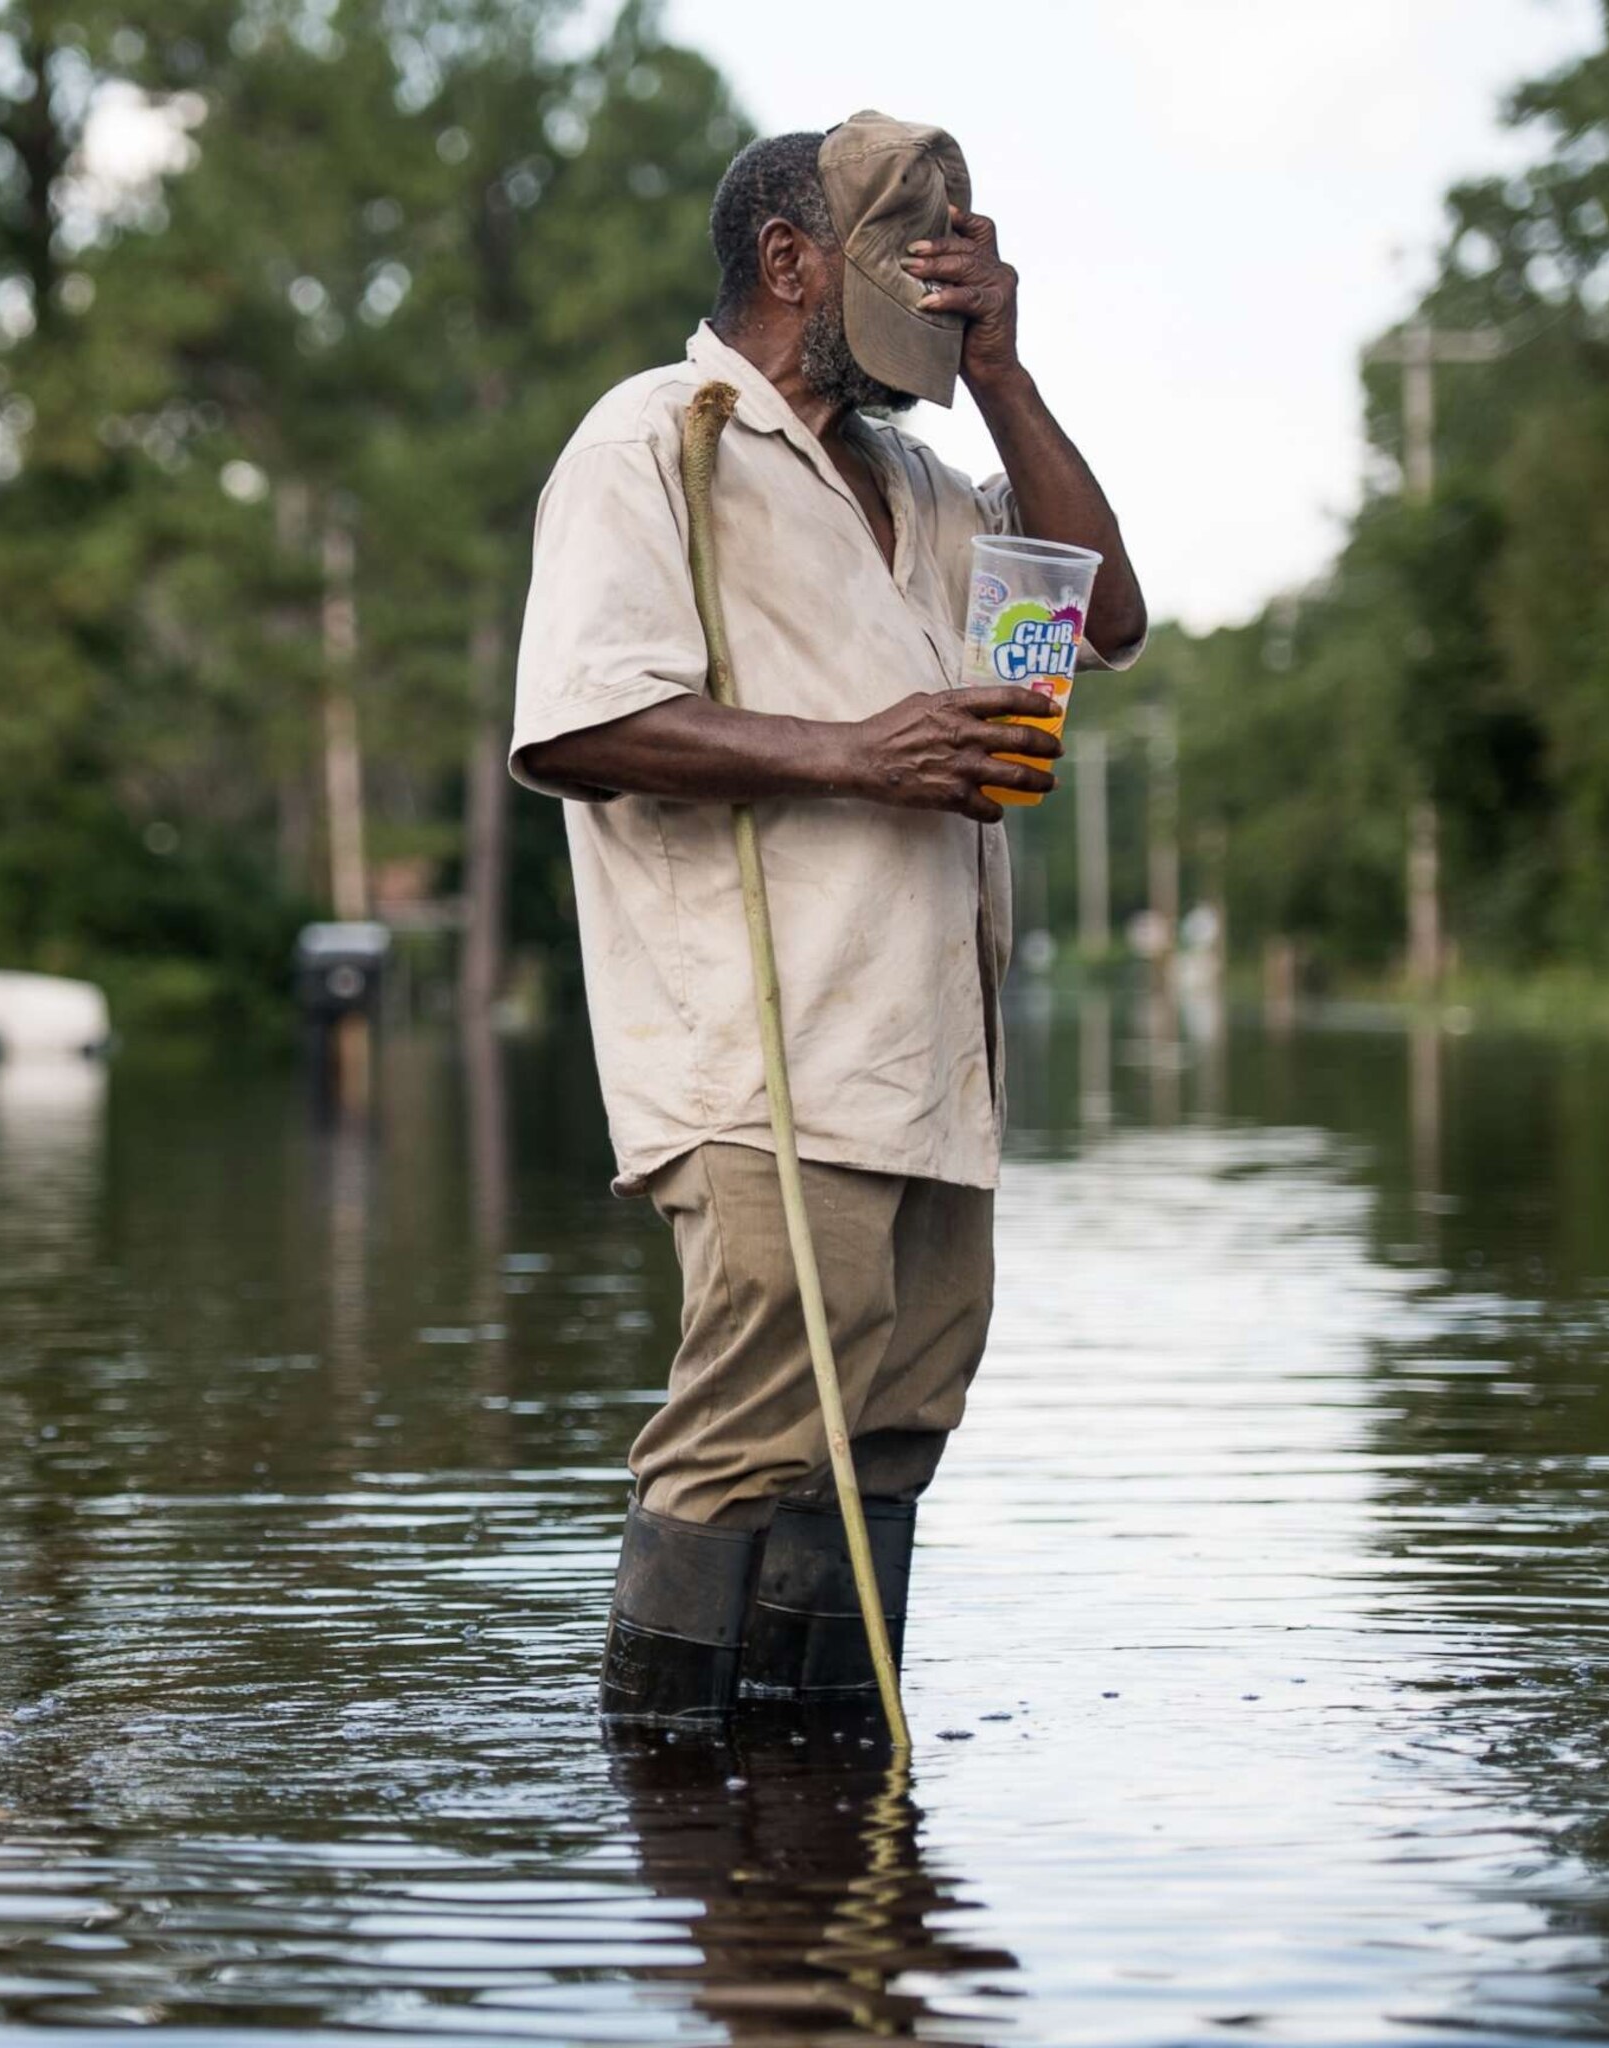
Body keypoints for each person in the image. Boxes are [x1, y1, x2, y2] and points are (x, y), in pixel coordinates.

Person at [508, 113, 1147, 1724]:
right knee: (750, 1432)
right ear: (793, 264)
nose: (937, 304)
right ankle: (674, 1799)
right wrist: (858, 754)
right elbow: (578, 726)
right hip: (761, 1055)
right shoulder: (656, 440)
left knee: (894, 1426)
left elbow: (1107, 618)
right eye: (911, 270)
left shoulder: (924, 486)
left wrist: (1003, 371)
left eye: (960, 272)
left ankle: (813, 1803)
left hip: (935, 1061)